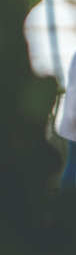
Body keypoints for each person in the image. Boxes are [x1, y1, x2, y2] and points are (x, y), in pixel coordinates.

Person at [59, 50, 76, 194]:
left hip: (73, 116)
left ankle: (64, 207)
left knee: (73, 164)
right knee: (73, 166)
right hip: (74, 117)